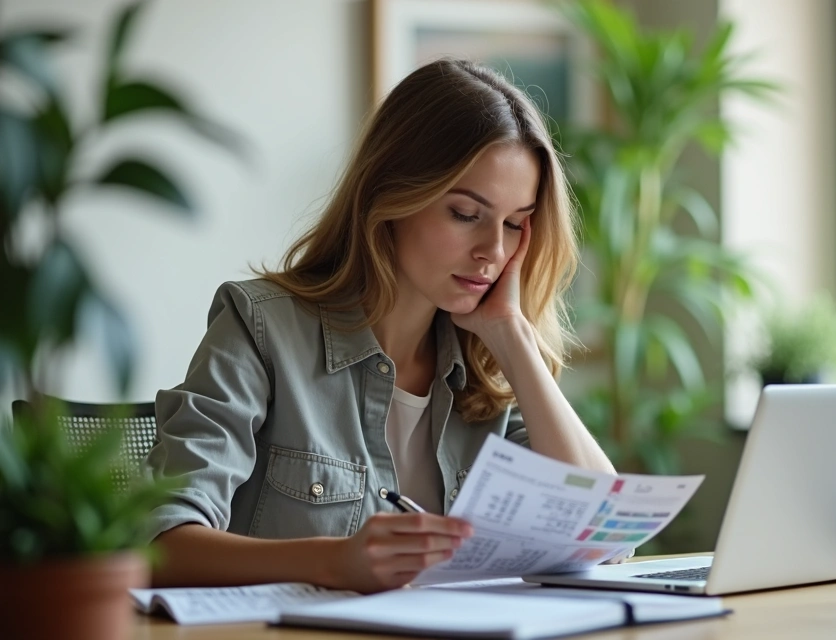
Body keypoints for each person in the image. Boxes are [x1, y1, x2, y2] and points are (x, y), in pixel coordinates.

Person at [145, 59, 615, 594]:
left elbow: (600, 533)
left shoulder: (485, 370)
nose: (494, 251)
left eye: (513, 224)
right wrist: (331, 562)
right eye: (465, 214)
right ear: (392, 197)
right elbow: (162, 544)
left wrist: (513, 336)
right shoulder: (260, 328)